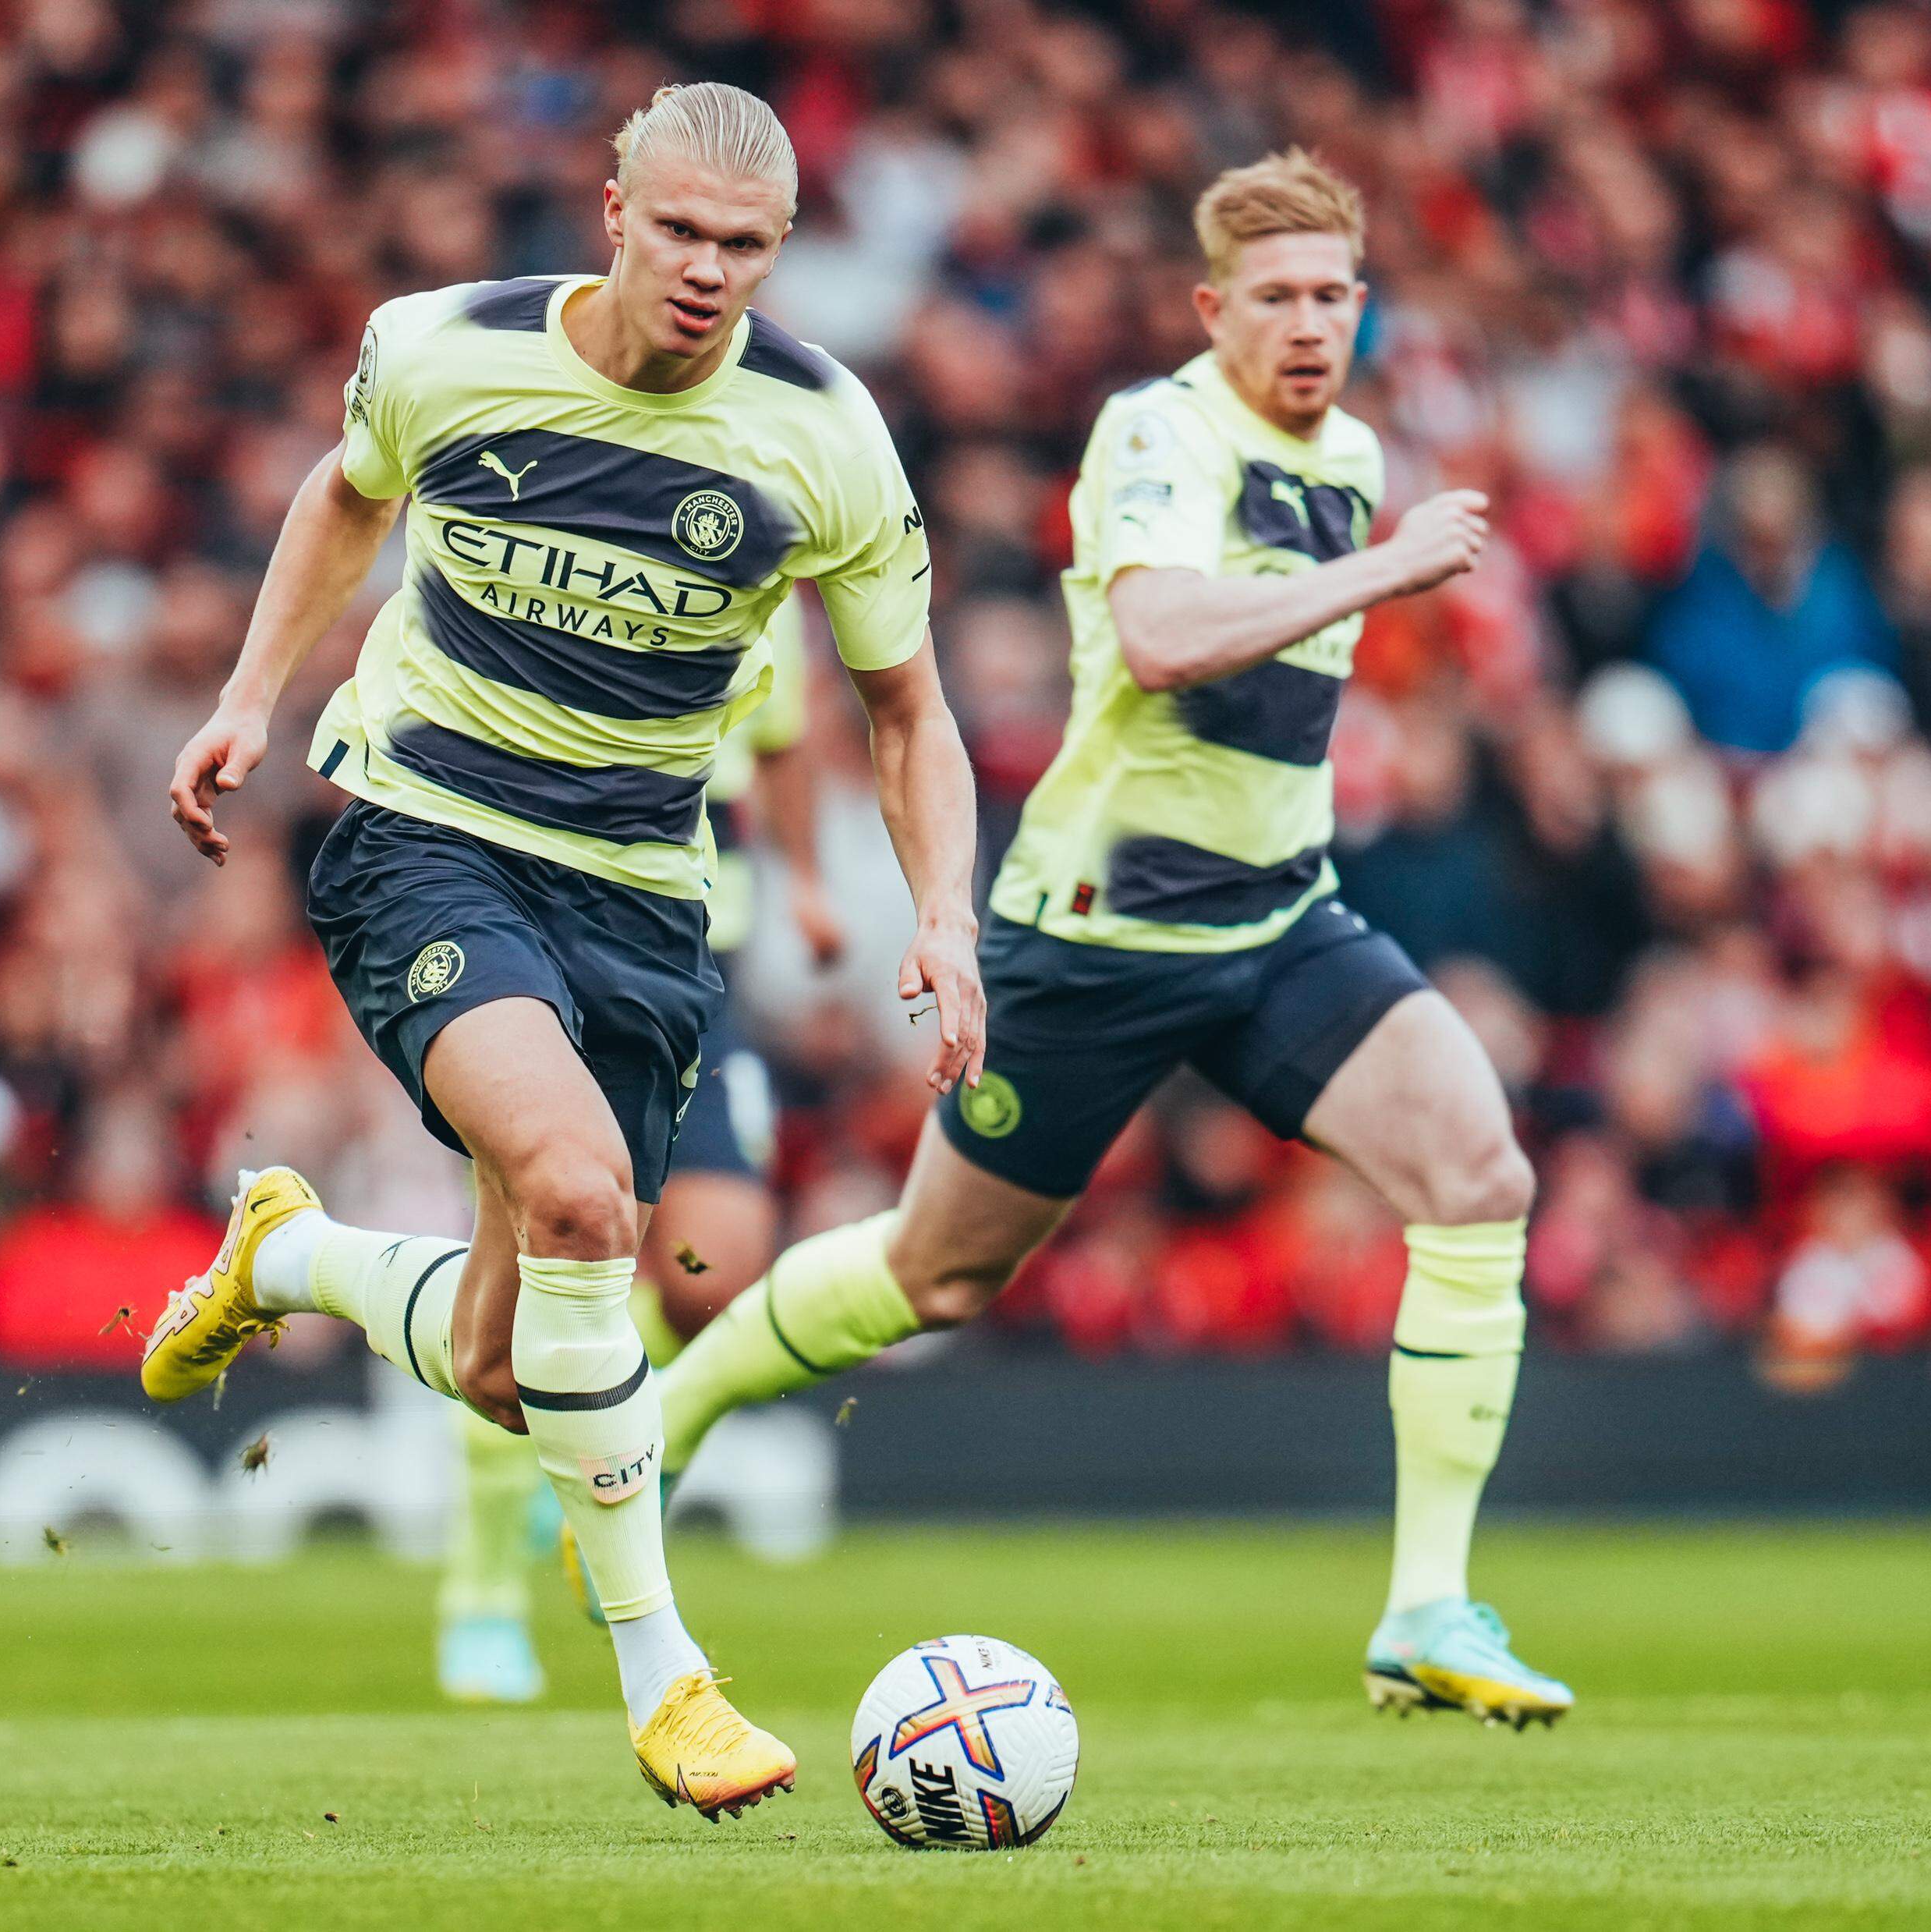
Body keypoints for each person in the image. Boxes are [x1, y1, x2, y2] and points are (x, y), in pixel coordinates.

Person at [138, 83, 985, 1819]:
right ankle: (667, 1679)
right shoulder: (442, 351)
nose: (704, 273)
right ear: (612, 206)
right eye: (678, 232)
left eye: (743, 250)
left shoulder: (821, 437)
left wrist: (945, 916)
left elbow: (906, 708)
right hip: (422, 834)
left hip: (641, 896)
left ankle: (287, 1260)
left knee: (508, 1366)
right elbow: (345, 491)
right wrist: (249, 697)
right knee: (592, 1197)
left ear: (781, 254)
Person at [654, 148, 1575, 1727]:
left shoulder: (1353, 455)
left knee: (1478, 1177)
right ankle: (657, 1429)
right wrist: (1384, 565)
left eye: (1330, 295)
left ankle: (1425, 1606)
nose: (1305, 324)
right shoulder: (1157, 431)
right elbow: (1155, 639)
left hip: (1281, 918)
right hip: (1094, 936)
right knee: (935, 1279)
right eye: (1273, 296)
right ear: (1212, 308)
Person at [434, 601, 845, 1707]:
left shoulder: (765, 574)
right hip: (554, 950)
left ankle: (585, 1420)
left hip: (697, 956)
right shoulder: (593, 541)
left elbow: (782, 741)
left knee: (719, 1263)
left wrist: (802, 876)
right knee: (529, 1268)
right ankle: (481, 1588)